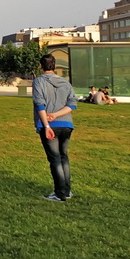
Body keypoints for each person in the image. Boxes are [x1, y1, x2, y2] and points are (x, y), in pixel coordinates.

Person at [33, 53, 77, 202]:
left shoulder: (38, 82)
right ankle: (67, 190)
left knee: (55, 159)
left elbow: (40, 104)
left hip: (50, 125)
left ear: (41, 66)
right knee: (64, 157)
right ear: (55, 65)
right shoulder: (65, 82)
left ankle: (60, 193)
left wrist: (46, 124)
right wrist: (58, 114)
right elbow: (72, 104)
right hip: (66, 124)